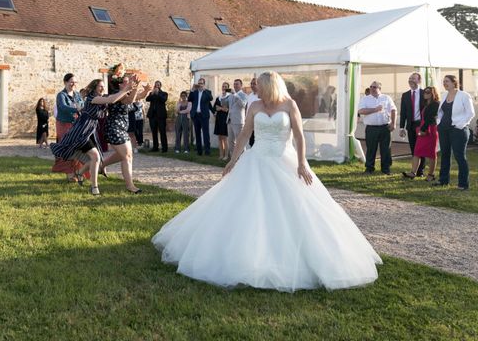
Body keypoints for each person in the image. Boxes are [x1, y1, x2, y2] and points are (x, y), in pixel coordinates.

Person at [152, 71, 381, 291]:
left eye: (258, 86)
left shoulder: (289, 105)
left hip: (285, 160)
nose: (255, 89)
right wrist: (233, 160)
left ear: (269, 86)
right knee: (246, 207)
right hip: (257, 159)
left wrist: (301, 164)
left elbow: (299, 136)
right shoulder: (254, 106)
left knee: (299, 208)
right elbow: (243, 135)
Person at [51, 77, 133, 196]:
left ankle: (80, 174)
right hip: (82, 130)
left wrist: (136, 91)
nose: (103, 88)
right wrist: (126, 89)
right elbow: (112, 99)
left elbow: (121, 100)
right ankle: (94, 187)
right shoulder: (92, 98)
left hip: (91, 131)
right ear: (94, 88)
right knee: (95, 157)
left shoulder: (102, 97)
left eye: (104, 86)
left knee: (96, 157)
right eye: (100, 86)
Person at [99, 72, 151, 194]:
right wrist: (135, 87)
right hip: (113, 128)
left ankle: (101, 165)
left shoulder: (126, 93)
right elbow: (129, 101)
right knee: (127, 156)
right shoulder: (118, 95)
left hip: (121, 129)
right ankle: (130, 185)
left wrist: (147, 90)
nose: (130, 83)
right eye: (127, 82)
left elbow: (139, 96)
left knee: (124, 155)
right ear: (120, 84)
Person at [433, 75, 475, 190]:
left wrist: (460, 125)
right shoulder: (444, 95)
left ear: (454, 82)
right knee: (445, 155)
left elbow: (470, 113)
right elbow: (441, 112)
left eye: (447, 81)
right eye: (443, 82)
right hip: (444, 129)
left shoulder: (464, 95)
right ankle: (443, 180)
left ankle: (463, 184)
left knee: (460, 156)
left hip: (458, 130)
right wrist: (439, 122)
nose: (444, 83)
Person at [358, 81, 397, 175]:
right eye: (371, 86)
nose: (372, 88)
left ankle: (386, 169)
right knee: (371, 148)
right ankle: (369, 168)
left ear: (379, 89)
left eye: (374, 87)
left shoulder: (386, 98)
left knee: (386, 149)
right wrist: (375, 109)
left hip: (385, 127)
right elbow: (361, 111)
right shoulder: (365, 99)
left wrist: (393, 124)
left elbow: (393, 110)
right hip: (371, 128)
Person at [402, 87, 440, 182]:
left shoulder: (436, 104)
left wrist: (423, 130)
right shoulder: (426, 104)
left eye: (428, 92)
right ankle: (412, 173)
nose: (425, 94)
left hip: (430, 130)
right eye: (425, 92)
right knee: (417, 151)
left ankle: (431, 175)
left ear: (433, 93)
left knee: (431, 154)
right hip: (423, 129)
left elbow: (431, 119)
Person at [52, 73, 84, 182]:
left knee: (77, 148)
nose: (73, 84)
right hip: (64, 125)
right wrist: (77, 109)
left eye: (75, 82)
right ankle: (69, 173)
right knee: (67, 148)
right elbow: (63, 107)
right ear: (65, 82)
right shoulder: (61, 95)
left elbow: (82, 105)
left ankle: (78, 171)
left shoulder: (78, 94)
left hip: (76, 124)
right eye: (71, 82)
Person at [399, 73, 425, 177]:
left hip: (421, 124)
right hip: (411, 125)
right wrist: (402, 127)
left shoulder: (424, 93)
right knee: (413, 148)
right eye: (409, 78)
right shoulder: (405, 95)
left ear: (419, 80)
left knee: (421, 148)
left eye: (413, 78)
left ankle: (420, 172)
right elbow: (403, 112)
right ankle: (414, 170)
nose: (411, 80)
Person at [188, 78, 214, 155]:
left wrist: (204, 90)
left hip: (204, 116)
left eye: (201, 83)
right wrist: (192, 90)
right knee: (197, 133)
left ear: (204, 84)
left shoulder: (207, 92)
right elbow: (189, 99)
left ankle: (207, 151)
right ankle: (199, 151)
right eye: (199, 83)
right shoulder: (195, 92)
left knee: (206, 134)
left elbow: (211, 98)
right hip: (196, 115)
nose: (200, 85)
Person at [227, 79, 248, 159]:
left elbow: (242, 105)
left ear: (241, 85)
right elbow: (229, 106)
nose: (235, 85)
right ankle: (234, 159)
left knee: (240, 141)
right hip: (230, 120)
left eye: (237, 84)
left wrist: (236, 95)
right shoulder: (231, 95)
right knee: (231, 141)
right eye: (234, 84)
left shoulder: (243, 95)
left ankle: (243, 159)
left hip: (238, 121)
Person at [146, 80, 169, 152]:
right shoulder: (152, 93)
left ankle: (164, 148)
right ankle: (155, 147)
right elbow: (147, 99)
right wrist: (152, 93)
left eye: (158, 85)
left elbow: (163, 100)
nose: (157, 86)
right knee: (154, 132)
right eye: (156, 85)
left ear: (160, 86)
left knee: (162, 132)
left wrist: (158, 93)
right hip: (152, 116)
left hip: (161, 116)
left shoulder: (164, 93)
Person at [213, 82, 230, 159]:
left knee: (225, 138)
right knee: (219, 138)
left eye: (225, 86)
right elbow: (215, 108)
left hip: (225, 119)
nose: (224, 87)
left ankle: (226, 155)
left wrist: (220, 108)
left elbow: (228, 109)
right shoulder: (218, 97)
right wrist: (218, 110)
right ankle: (221, 155)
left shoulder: (229, 97)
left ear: (228, 88)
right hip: (219, 119)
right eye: (223, 86)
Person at [246, 77, 259, 147]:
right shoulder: (250, 95)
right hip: (250, 123)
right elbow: (248, 108)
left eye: (254, 84)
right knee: (251, 142)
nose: (252, 85)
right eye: (251, 83)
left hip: (259, 123)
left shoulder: (262, 96)